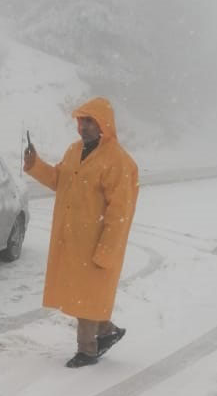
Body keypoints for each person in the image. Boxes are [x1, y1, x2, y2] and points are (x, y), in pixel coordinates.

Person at [24, 97, 138, 367]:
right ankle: (106, 330)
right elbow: (59, 181)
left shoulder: (118, 161)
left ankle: (87, 350)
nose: (83, 127)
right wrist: (35, 164)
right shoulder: (74, 151)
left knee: (87, 297)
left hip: (96, 241)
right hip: (73, 240)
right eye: (81, 121)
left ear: (104, 124)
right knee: (83, 296)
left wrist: (107, 248)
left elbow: (120, 214)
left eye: (90, 121)